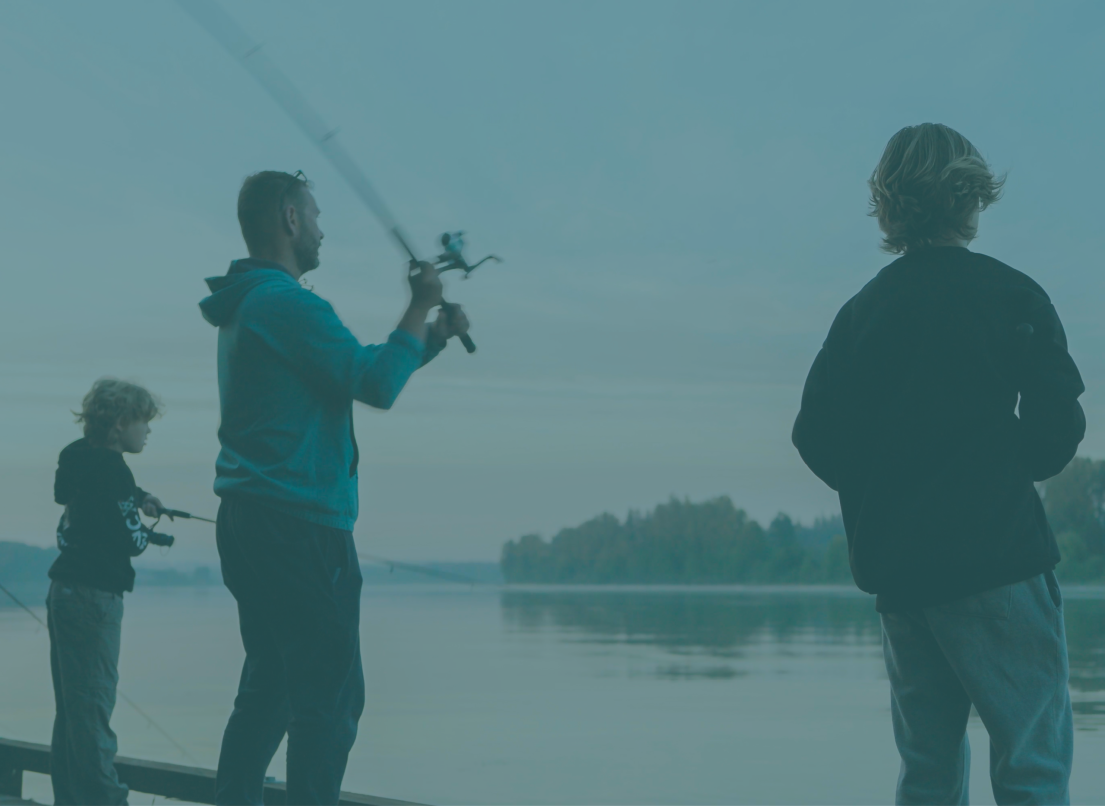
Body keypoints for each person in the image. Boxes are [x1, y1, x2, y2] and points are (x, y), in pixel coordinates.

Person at [792, 124, 1084, 805]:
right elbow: (1055, 424)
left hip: (902, 577)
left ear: (890, 208)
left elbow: (815, 435)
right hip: (998, 564)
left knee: (926, 771)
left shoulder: (860, 314)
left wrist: (885, 485)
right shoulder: (1010, 296)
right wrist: (996, 468)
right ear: (971, 198)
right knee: (1030, 764)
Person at [199, 170, 468, 805]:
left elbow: (358, 371)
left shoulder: (248, 305)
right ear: (290, 220)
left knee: (272, 687)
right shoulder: (287, 303)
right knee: (332, 698)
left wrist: (427, 340)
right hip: (300, 526)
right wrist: (420, 303)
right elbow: (373, 385)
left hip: (249, 520)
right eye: (315, 215)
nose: (322, 229)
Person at [47, 378, 175, 806]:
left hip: (64, 590)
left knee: (72, 709)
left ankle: (70, 797)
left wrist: (139, 498)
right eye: (143, 423)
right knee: (94, 705)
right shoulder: (116, 469)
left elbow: (86, 494)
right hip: (95, 599)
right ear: (120, 424)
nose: (148, 431)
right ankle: (106, 800)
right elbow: (132, 541)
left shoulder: (77, 455)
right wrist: (144, 529)